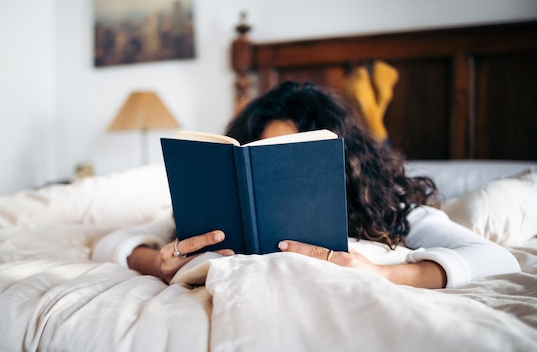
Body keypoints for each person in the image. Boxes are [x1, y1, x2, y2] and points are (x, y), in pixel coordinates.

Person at [92, 81, 520, 289]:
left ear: (346, 159)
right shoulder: (224, 212)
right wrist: (158, 263)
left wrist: (385, 273)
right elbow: (110, 243)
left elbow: (496, 259)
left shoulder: (391, 213)